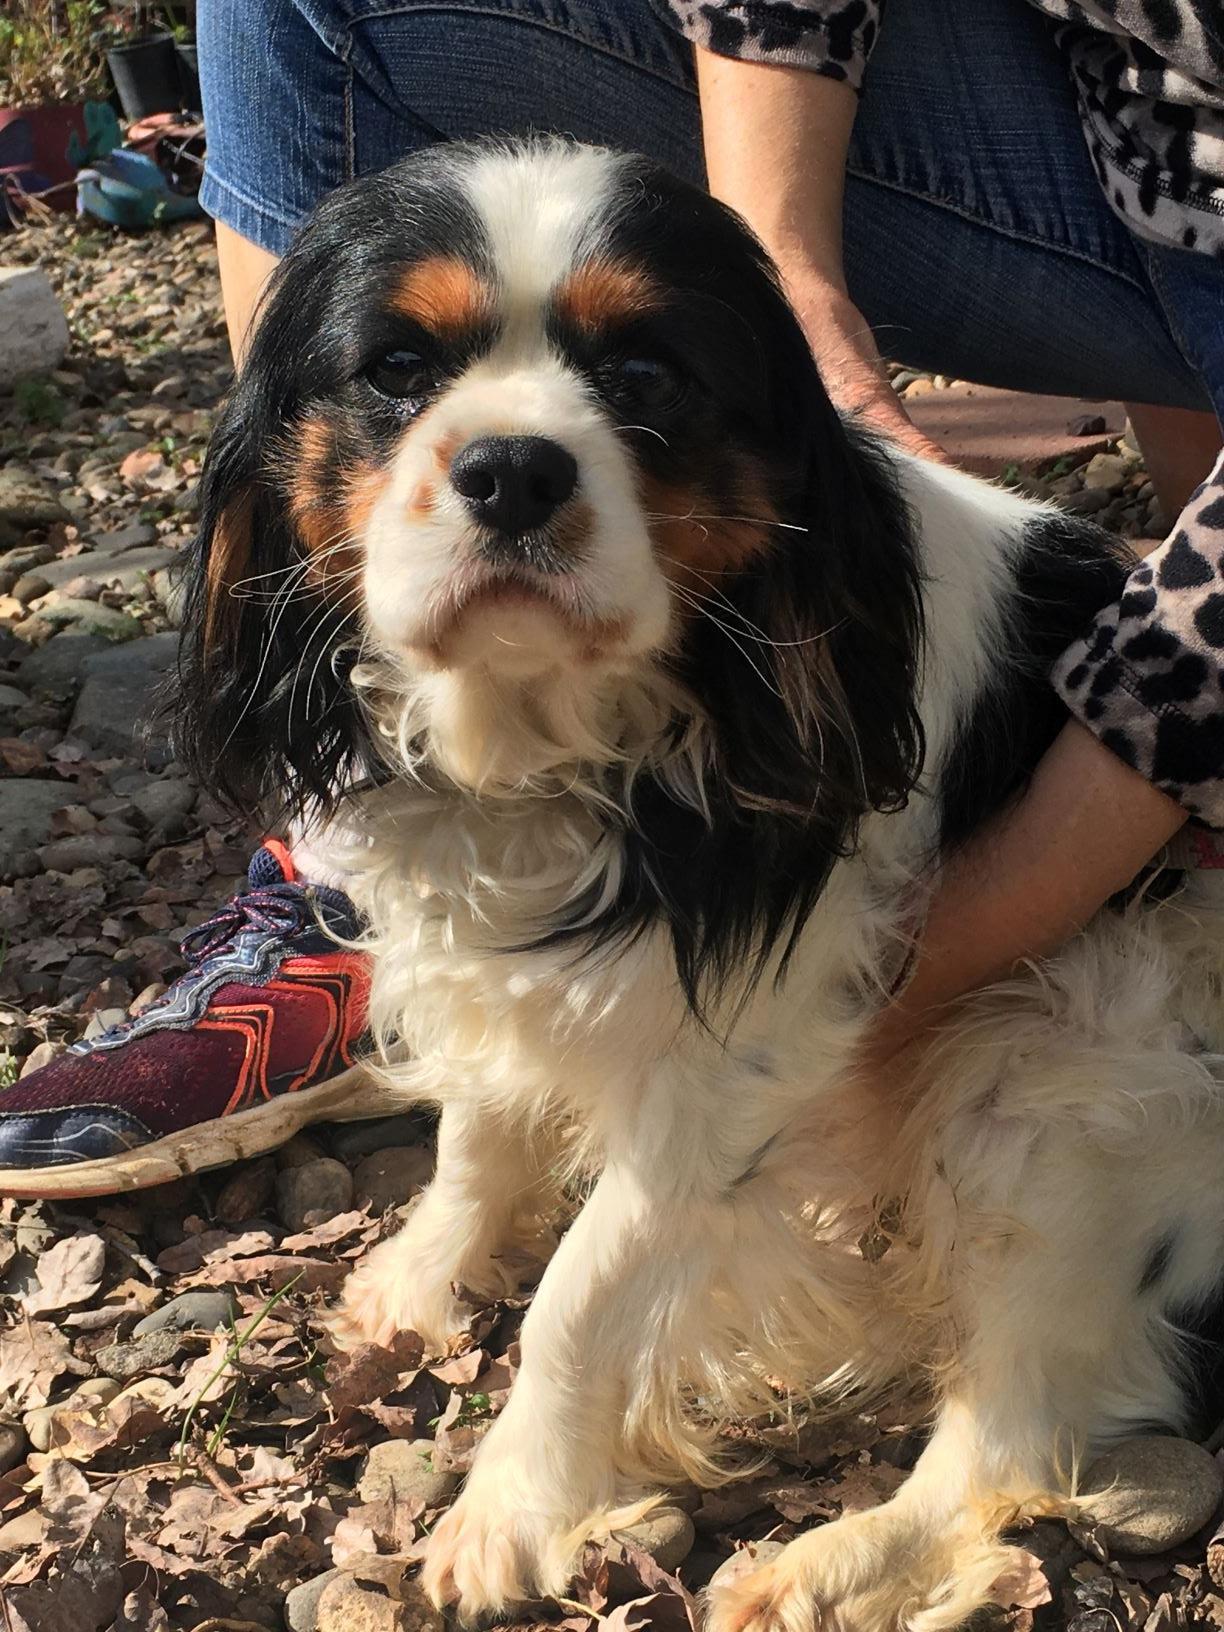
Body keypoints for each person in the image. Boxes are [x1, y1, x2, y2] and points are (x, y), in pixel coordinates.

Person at [2, 0, 1221, 1193]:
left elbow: (772, 1055)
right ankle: (342, 851)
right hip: (1107, 120)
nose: (513, 455)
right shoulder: (293, 481)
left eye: (638, 380)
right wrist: (796, 272)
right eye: (400, 366)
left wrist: (937, 951)